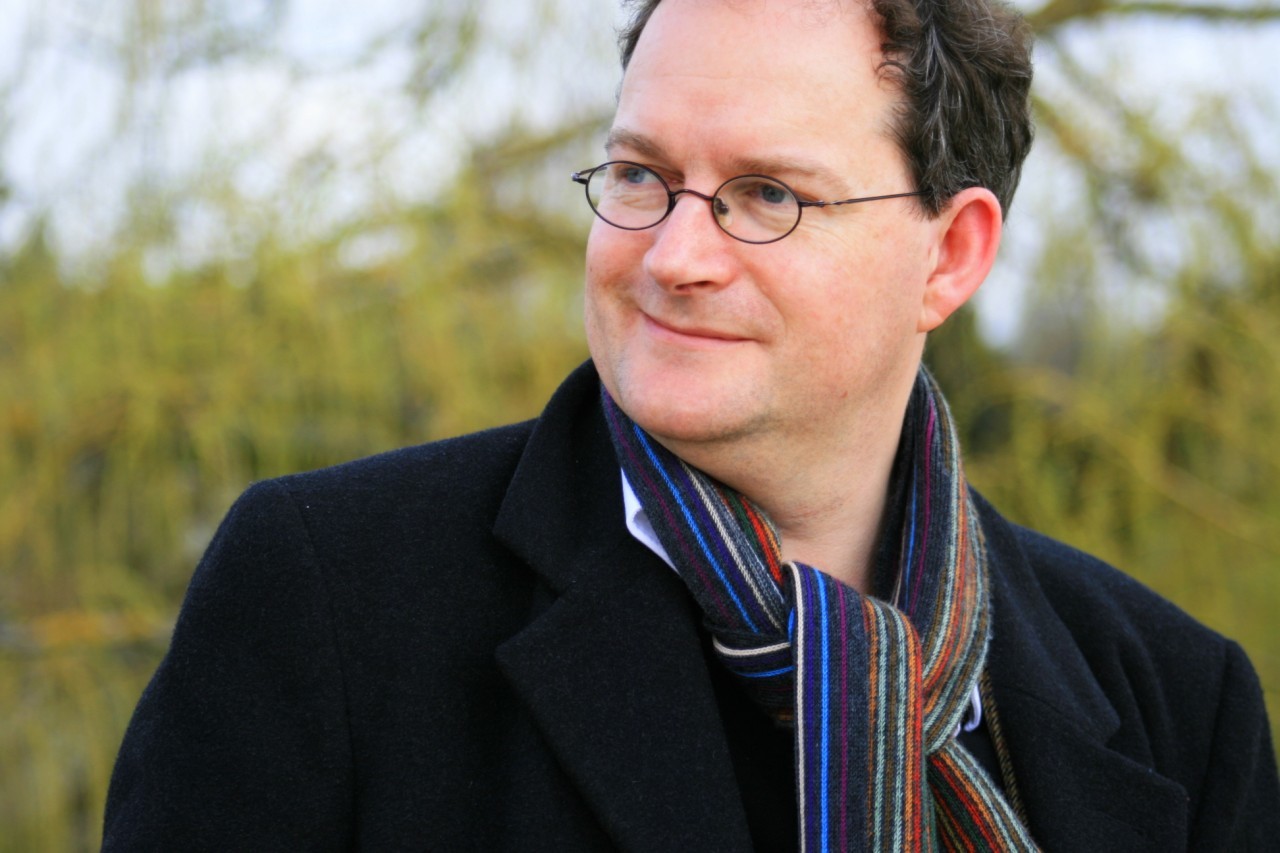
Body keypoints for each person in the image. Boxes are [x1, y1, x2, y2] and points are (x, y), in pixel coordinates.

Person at [103, 0, 1279, 849]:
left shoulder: (1178, 703)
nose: (672, 256)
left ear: (950, 255)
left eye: (765, 194)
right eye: (639, 175)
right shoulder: (326, 594)